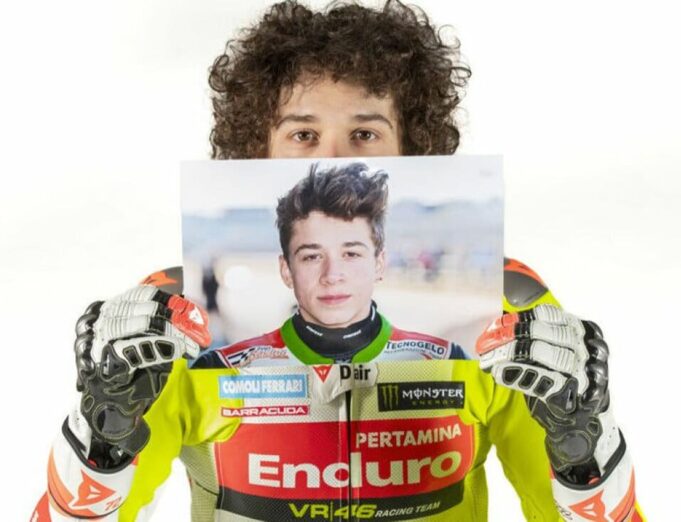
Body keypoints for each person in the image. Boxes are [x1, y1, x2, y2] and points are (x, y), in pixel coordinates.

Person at [32, 1, 641, 520]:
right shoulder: (176, 318)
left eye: (365, 133)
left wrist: (583, 448)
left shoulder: (502, 308)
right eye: (302, 135)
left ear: (414, 151)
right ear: (255, 152)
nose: (334, 158)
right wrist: (101, 438)